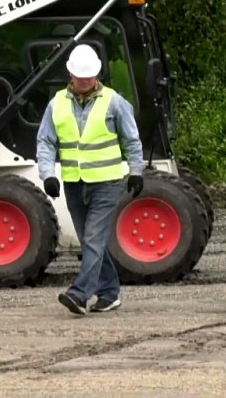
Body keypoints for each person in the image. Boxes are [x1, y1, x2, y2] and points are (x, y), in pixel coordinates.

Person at [37, 44, 145, 315]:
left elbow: (131, 140)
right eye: (79, 76)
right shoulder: (56, 104)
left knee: (94, 238)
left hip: (107, 182)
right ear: (70, 74)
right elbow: (46, 142)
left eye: (88, 76)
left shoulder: (114, 101)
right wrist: (48, 175)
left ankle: (80, 294)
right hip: (74, 182)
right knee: (89, 240)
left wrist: (136, 171)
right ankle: (109, 293)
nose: (84, 80)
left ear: (96, 74)